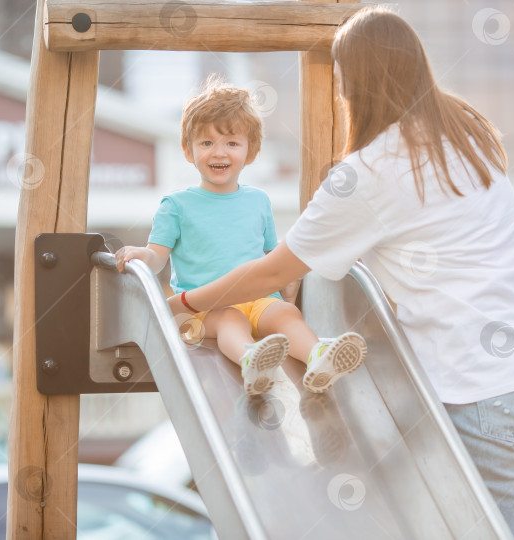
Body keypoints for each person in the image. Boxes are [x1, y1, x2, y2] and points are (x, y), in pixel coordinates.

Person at [167, 8, 514, 539]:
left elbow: (271, 270)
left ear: (352, 82)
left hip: (487, 392)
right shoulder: (466, 129)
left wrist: (185, 302)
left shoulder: (367, 173)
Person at [116, 77, 366, 397]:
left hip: (257, 301)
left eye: (232, 143)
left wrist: (291, 280)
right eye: (206, 143)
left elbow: (269, 256)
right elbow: (157, 256)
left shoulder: (258, 201)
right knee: (231, 318)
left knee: (286, 314)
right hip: (200, 311)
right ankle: (251, 360)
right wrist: (142, 255)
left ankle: (319, 357)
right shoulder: (176, 206)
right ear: (187, 150)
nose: (219, 152)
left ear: (251, 151)